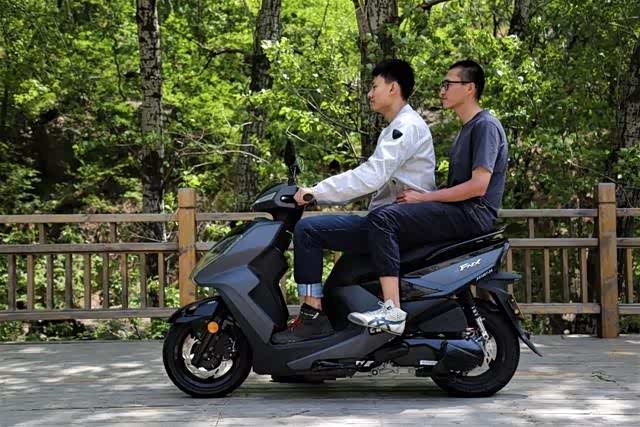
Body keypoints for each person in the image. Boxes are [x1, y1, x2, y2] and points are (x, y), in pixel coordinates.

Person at [272, 59, 436, 344]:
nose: (370, 94)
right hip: (393, 221)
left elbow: (371, 176)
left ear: (393, 88)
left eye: (374, 86)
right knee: (337, 279)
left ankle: (312, 316)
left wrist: (316, 191)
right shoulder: (400, 126)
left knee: (308, 231)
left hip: (396, 224)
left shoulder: (405, 127)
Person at [346, 59, 509, 335]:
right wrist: (427, 197)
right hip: (460, 211)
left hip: (472, 214)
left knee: (384, 219)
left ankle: (392, 311)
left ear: (469, 88)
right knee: (387, 216)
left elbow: (478, 186)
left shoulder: (485, 126)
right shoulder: (467, 128)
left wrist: (425, 199)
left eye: (448, 84)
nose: (442, 91)